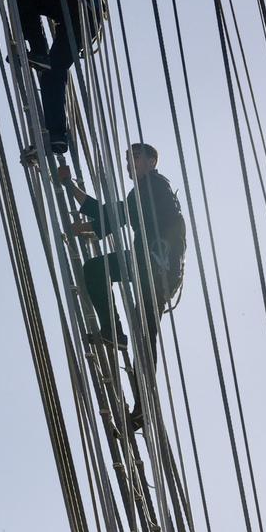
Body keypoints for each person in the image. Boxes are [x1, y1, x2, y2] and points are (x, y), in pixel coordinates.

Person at [58, 143, 186, 429]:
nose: (130, 164)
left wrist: (72, 192)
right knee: (95, 270)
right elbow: (109, 217)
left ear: (153, 160)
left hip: (157, 265)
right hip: (146, 262)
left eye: (136, 157)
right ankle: (114, 332)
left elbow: (109, 217)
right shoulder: (142, 191)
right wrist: (73, 195)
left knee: (143, 329)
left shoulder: (154, 186)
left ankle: (143, 404)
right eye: (127, 160)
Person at [7, 0, 103, 158]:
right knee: (53, 74)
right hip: (86, 21)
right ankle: (57, 137)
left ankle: (38, 51)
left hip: (75, 9)